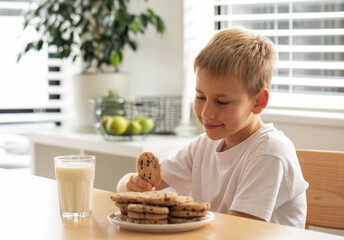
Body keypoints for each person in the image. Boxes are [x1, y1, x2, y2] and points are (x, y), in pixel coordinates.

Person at [116, 27, 309, 228]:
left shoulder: (270, 152)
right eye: (200, 97)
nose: (207, 112)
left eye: (222, 102)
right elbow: (143, 187)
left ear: (258, 101)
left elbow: (237, 231)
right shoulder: (204, 145)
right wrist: (130, 183)